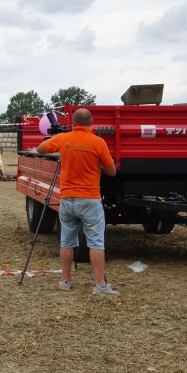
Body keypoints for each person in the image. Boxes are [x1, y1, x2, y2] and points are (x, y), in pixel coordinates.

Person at [36, 108, 119, 296]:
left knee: (67, 241)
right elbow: (111, 171)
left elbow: (41, 149)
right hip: (90, 199)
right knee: (96, 242)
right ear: (91, 123)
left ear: (73, 123)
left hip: (67, 198)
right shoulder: (98, 142)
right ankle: (100, 285)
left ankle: (65, 281)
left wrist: (61, 148)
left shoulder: (64, 138)